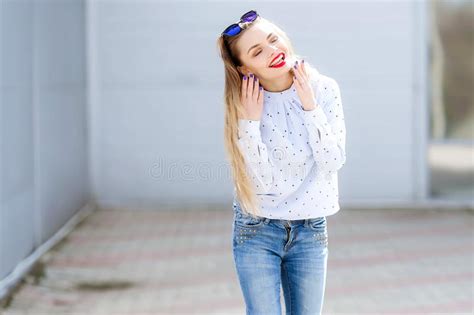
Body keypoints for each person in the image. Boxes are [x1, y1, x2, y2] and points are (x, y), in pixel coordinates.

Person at [216, 9, 347, 315]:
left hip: (311, 229)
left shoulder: (323, 89)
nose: (273, 52)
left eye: (273, 40)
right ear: (244, 67)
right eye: (257, 51)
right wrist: (249, 125)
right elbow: (265, 184)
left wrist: (310, 108)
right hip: (257, 229)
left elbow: (332, 161)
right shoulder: (243, 103)